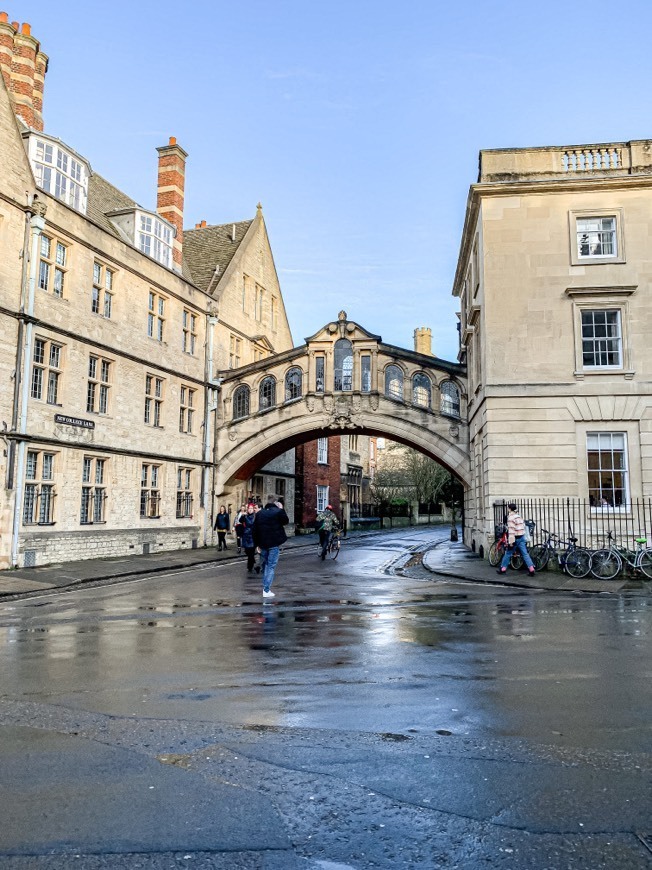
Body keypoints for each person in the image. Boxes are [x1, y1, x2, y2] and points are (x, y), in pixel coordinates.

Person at [252, 495, 289, 598]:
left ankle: (265, 587)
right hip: (273, 544)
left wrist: (257, 545)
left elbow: (254, 530)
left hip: (263, 544)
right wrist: (281, 509)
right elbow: (286, 521)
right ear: (277, 504)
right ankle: (266, 590)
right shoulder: (278, 512)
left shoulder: (260, 513)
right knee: (270, 566)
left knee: (266, 566)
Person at [498, 502, 535, 576]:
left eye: (508, 508)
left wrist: (511, 542)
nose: (508, 509)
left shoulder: (510, 518)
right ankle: (531, 569)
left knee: (508, 553)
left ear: (509, 509)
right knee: (525, 554)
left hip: (515, 538)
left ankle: (503, 569)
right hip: (522, 537)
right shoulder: (519, 516)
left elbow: (511, 530)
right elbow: (523, 526)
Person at [241, 503, 258, 573]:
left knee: (251, 552)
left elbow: (253, 524)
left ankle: (250, 567)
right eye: (249, 508)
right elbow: (240, 521)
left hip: (253, 535)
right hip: (246, 535)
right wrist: (242, 516)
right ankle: (253, 561)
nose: (250, 510)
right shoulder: (245, 516)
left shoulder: (255, 516)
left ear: (253, 509)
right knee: (247, 551)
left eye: (251, 508)